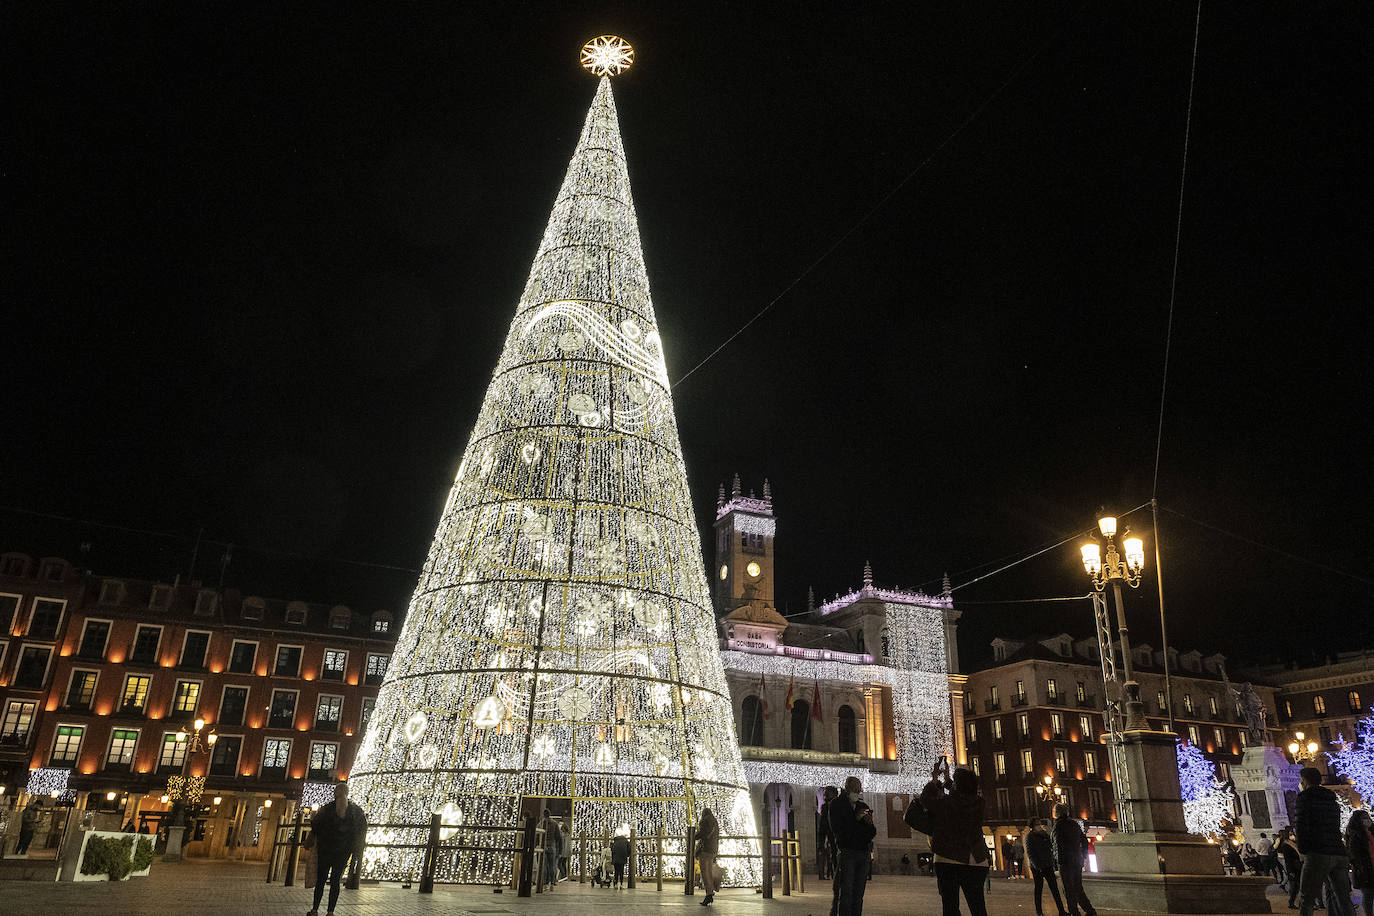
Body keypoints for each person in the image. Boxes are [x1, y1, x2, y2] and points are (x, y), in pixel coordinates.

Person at [920, 757, 991, 916]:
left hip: (948, 860)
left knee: (950, 907)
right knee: (978, 907)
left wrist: (934, 779)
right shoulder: (980, 803)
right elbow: (961, 795)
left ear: (957, 787)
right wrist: (947, 780)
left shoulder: (946, 804)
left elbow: (925, 799)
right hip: (976, 861)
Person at [1295, 766, 1353, 916]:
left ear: (1305, 781)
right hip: (1338, 851)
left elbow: (1301, 825)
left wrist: (1303, 849)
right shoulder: (1331, 799)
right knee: (1344, 899)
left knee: (1306, 898)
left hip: (1317, 852)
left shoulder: (1304, 798)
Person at [307, 783, 367, 916]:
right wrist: (357, 850)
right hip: (343, 853)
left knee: (321, 880)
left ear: (336, 793)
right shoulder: (356, 811)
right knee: (336, 881)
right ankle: (330, 912)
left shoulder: (327, 809)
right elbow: (362, 830)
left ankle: (315, 909)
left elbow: (315, 825)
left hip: (325, 850)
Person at [829, 775, 877, 916]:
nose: (857, 792)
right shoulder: (837, 805)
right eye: (855, 789)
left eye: (859, 790)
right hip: (847, 852)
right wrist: (856, 820)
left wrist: (868, 822)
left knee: (858, 892)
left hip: (863, 852)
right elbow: (839, 830)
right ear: (847, 788)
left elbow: (872, 832)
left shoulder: (863, 806)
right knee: (846, 891)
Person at [1052, 804, 1097, 916]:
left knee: (1068, 889)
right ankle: (1090, 910)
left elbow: (1058, 845)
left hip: (1066, 862)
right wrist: (1083, 855)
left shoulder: (1058, 826)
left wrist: (1058, 862)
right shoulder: (1074, 824)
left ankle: (1074, 912)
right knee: (1077, 887)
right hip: (1077, 860)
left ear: (1056, 813)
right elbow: (1084, 841)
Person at [1026, 818, 1068, 916]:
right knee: (1038, 889)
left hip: (1048, 865)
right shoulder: (1029, 837)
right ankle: (1039, 912)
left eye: (1039, 823)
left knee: (1055, 889)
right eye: (1037, 824)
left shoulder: (1044, 835)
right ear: (1032, 826)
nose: (1039, 825)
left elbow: (1051, 845)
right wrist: (1038, 866)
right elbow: (1030, 853)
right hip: (1037, 868)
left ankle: (1061, 911)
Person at [1346, 809, 1374, 916]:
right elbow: (1354, 855)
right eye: (1364, 818)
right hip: (1365, 870)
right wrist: (1360, 868)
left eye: (1367, 817)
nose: (1367, 820)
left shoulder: (1372, 833)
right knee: (1368, 895)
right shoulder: (1356, 837)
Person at [696, 807, 720, 906]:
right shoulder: (715, 822)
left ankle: (709, 894)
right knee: (709, 871)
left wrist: (694, 836)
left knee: (704, 873)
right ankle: (710, 892)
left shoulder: (704, 822)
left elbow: (701, 834)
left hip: (705, 850)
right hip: (713, 850)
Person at [818, 786, 839, 882]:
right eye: (824, 793)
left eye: (827, 793)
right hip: (832, 839)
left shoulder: (841, 806)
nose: (824, 795)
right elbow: (822, 826)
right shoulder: (825, 807)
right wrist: (821, 844)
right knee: (835, 860)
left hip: (841, 838)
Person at [540, 810, 561, 890]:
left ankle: (545, 883)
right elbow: (558, 836)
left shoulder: (541, 823)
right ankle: (552, 883)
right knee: (552, 866)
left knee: (544, 866)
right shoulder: (555, 823)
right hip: (552, 846)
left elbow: (537, 834)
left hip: (543, 845)